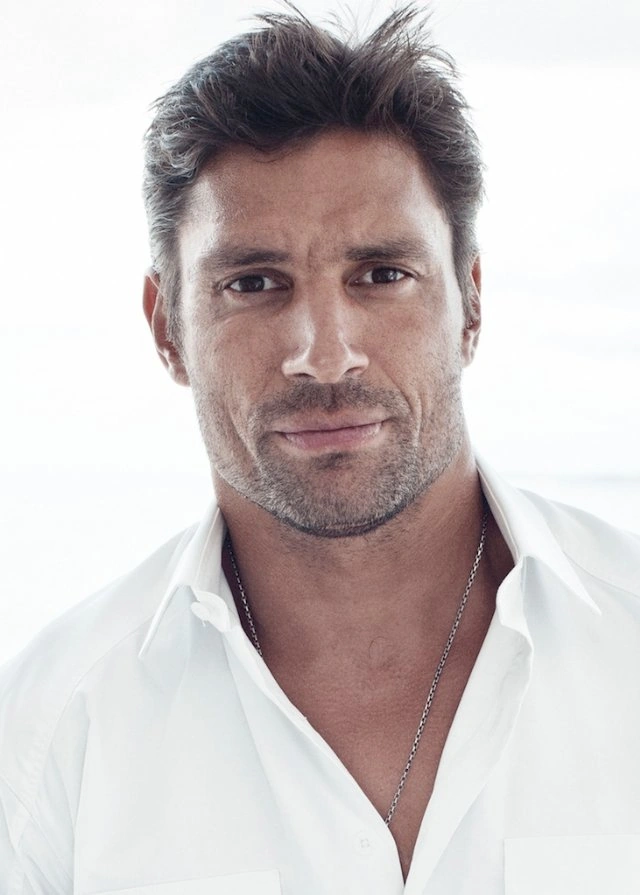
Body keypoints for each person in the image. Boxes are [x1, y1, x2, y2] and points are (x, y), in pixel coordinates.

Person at [1, 6, 639, 894]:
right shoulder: (46, 733)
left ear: (471, 304)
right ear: (167, 329)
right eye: (254, 282)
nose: (325, 354)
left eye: (382, 275)